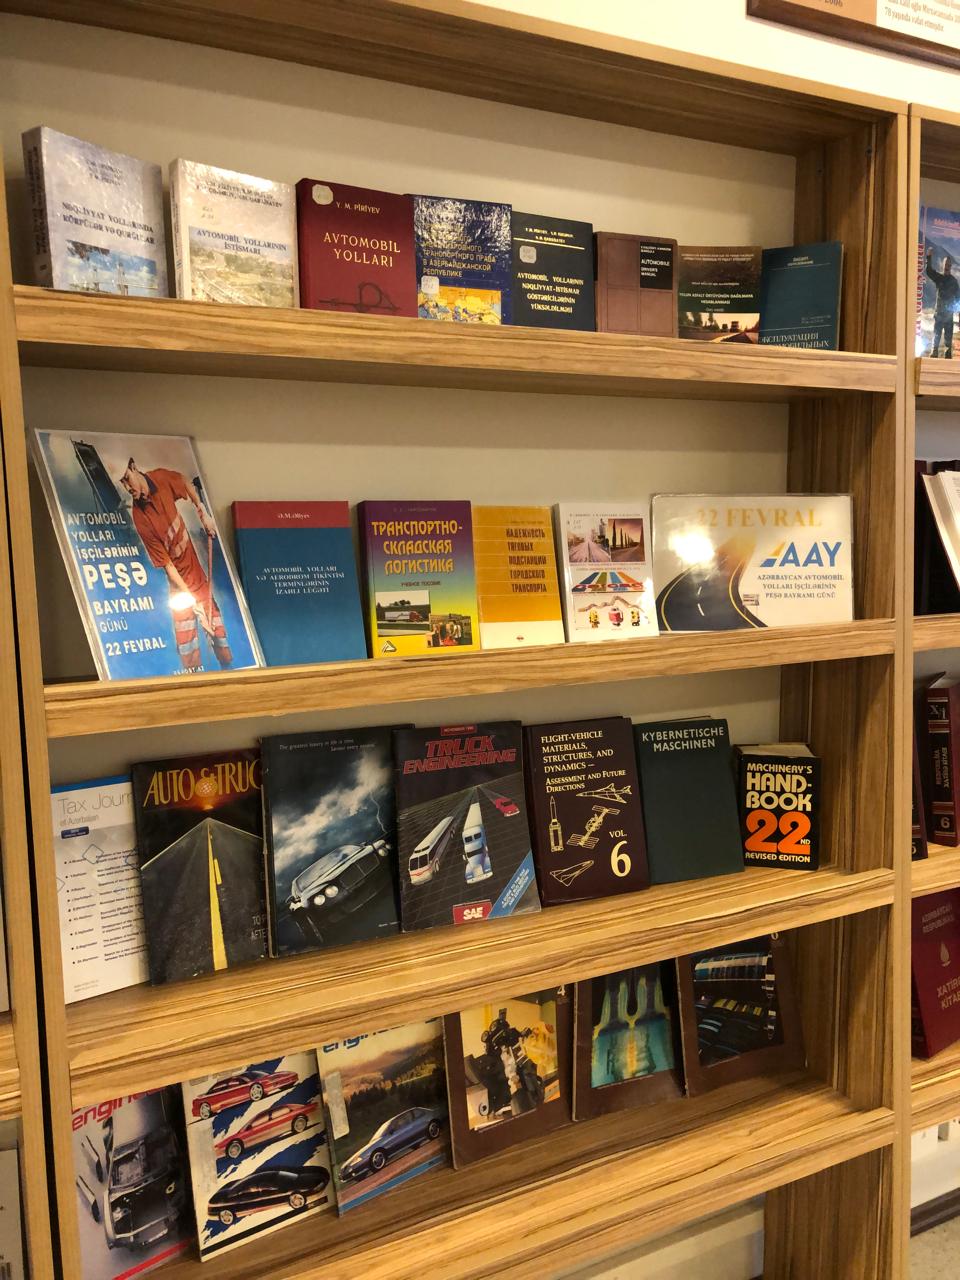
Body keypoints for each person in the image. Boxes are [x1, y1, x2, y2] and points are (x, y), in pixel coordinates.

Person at [119, 459, 233, 670]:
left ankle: (228, 669)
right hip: (179, 588)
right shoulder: (140, 518)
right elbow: (168, 566)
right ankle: (193, 674)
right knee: (186, 641)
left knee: (219, 634)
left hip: (197, 577)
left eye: (127, 478)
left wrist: (203, 513)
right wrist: (193, 602)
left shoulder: (161, 478)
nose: (127, 487)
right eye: (122, 483)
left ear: (133, 467)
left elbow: (185, 482)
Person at [926, 250, 960, 357]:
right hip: (939, 315)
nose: (947, 266)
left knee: (948, 344)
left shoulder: (954, 282)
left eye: (949, 265)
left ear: (951, 266)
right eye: (946, 264)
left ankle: (947, 357)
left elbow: (958, 299)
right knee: (936, 340)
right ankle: (933, 356)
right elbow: (929, 271)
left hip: (949, 317)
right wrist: (929, 257)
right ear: (943, 265)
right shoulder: (939, 278)